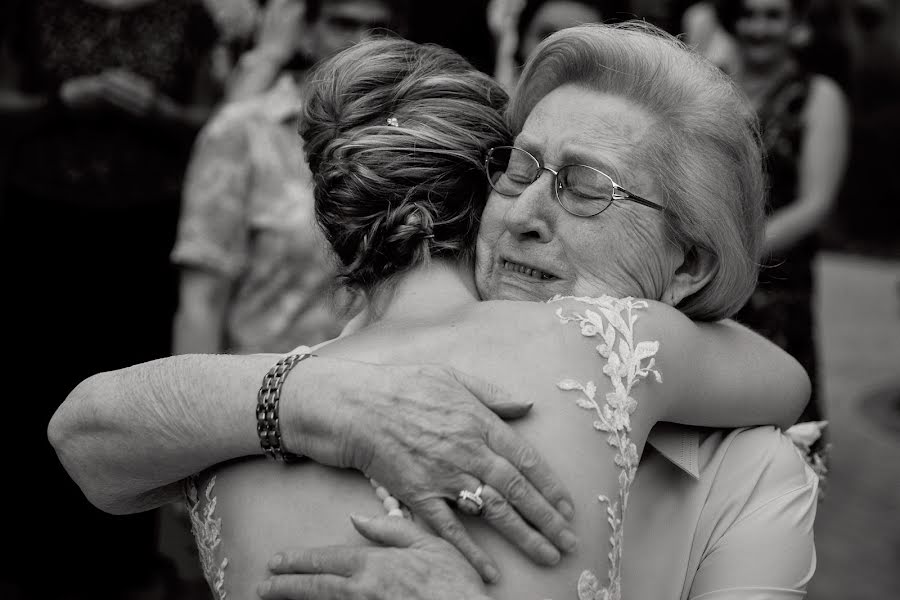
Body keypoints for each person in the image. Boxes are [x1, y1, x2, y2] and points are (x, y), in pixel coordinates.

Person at [49, 23, 820, 600]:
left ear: (689, 265)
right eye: (519, 168)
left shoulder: (749, 473)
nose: (525, 214)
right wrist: (311, 398)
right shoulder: (281, 403)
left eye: (587, 187)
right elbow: (81, 434)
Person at [1, 1, 222, 598]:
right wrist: (62, 101)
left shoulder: (187, 16)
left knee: (134, 388)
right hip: (41, 233)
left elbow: (217, 122)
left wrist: (158, 110)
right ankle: (33, 566)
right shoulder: (32, 10)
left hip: (146, 238)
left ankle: (123, 568)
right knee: (36, 390)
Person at [171, 0, 408, 355]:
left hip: (371, 383)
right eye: (342, 24)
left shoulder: (407, 137)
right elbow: (202, 301)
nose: (361, 43)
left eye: (378, 29)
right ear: (306, 33)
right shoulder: (242, 131)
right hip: (259, 388)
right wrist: (193, 404)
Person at [719, 0, 850, 428]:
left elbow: (816, 203)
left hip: (777, 284)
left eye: (773, 15)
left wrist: (734, 256)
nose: (759, 27)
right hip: (702, 275)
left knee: (781, 417)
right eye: (748, 13)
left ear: (796, 25)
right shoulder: (710, 85)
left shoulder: (818, 96)